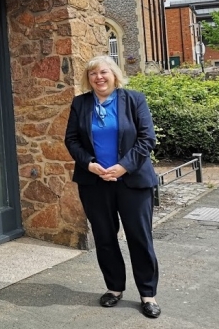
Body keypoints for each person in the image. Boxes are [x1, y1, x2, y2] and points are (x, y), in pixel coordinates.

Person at [64, 55, 161, 319]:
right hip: (95, 183)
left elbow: (147, 138)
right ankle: (114, 288)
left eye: (104, 72)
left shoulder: (134, 100)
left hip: (132, 181)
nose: (99, 78)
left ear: (114, 74)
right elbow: (71, 140)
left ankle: (147, 294)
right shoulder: (80, 103)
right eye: (93, 74)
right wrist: (90, 164)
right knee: (105, 238)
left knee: (139, 238)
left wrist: (124, 166)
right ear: (89, 79)